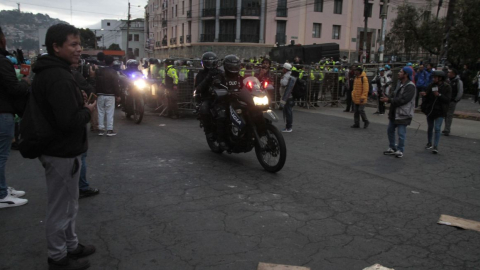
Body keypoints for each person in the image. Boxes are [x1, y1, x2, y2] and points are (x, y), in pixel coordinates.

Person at [31, 24, 96, 269]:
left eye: (79, 44)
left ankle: (71, 245)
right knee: (61, 208)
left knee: (70, 203)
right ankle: (58, 258)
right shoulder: (57, 77)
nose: (79, 49)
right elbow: (68, 121)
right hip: (60, 151)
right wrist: (87, 111)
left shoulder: (58, 72)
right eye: (73, 44)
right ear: (56, 47)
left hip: (65, 150)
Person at [0, 26, 30, 208]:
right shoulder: (2, 62)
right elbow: (13, 88)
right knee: (1, 156)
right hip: (3, 113)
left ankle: (3, 188)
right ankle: (2, 194)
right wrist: (24, 83)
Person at [381, 67, 416, 158]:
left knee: (401, 133)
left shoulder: (410, 86)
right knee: (390, 130)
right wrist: (387, 97)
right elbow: (395, 94)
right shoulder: (399, 83)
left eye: (401, 72)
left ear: (406, 74)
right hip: (394, 112)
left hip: (403, 113)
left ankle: (400, 150)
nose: (398, 73)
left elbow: (403, 99)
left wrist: (389, 100)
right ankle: (392, 147)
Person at [420, 70, 452, 154]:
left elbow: (448, 100)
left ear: (440, 78)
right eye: (433, 77)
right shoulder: (431, 85)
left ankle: (436, 146)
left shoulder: (447, 87)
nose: (433, 79)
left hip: (440, 111)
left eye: (435, 77)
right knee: (430, 127)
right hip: (431, 110)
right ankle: (429, 142)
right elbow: (427, 96)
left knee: (437, 128)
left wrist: (439, 95)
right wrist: (425, 95)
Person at [194, 52, 221, 140]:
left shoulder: (220, 72)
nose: (211, 65)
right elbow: (198, 88)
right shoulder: (201, 74)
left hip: (221, 96)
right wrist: (209, 77)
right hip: (208, 97)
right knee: (204, 108)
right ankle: (209, 131)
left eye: (213, 63)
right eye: (209, 63)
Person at [96, 55, 120, 136]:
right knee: (109, 113)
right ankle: (109, 130)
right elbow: (115, 85)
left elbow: (95, 83)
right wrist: (118, 95)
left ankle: (100, 129)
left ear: (104, 61)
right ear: (112, 63)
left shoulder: (99, 71)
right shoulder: (113, 72)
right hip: (110, 95)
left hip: (100, 94)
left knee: (100, 112)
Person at [442, 68, 463, 136]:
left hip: (452, 101)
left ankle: (447, 129)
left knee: (449, 115)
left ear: (453, 74)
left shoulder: (458, 81)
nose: (448, 73)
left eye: (449, 72)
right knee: (446, 115)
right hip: (447, 100)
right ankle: (446, 128)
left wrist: (455, 100)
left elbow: (460, 92)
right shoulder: (448, 81)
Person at [279, 63, 294, 132]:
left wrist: (281, 79)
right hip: (290, 96)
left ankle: (288, 127)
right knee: (289, 111)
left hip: (287, 96)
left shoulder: (286, 76)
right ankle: (289, 127)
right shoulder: (291, 74)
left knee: (288, 112)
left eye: (283, 68)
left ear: (285, 69)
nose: (282, 69)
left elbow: (284, 83)